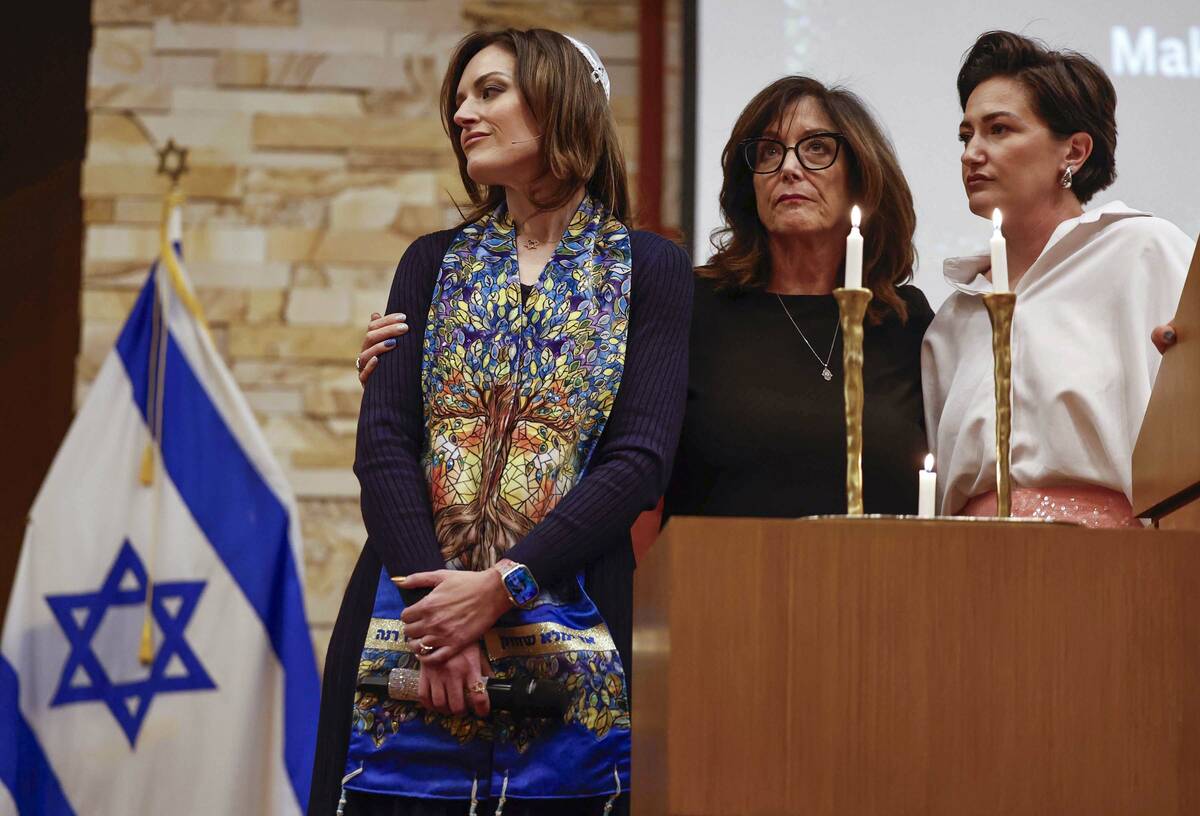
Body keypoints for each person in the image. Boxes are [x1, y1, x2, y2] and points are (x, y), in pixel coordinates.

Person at [311, 28, 692, 816]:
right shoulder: (429, 261)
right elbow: (384, 447)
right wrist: (438, 621)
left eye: (488, 92)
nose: (462, 114)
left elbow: (640, 459)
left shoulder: (649, 268)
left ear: (560, 103)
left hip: (576, 610)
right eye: (459, 99)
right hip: (406, 617)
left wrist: (498, 589)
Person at [922, 31, 1194, 525]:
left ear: (1074, 152)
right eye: (966, 136)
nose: (971, 154)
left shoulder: (1145, 252)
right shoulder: (953, 318)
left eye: (999, 130)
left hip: (1115, 570)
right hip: (967, 573)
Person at [664, 76, 932, 519]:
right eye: (769, 151)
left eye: (817, 148)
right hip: (720, 581)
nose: (789, 167)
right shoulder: (694, 307)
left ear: (860, 177)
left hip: (880, 582)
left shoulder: (904, 319)